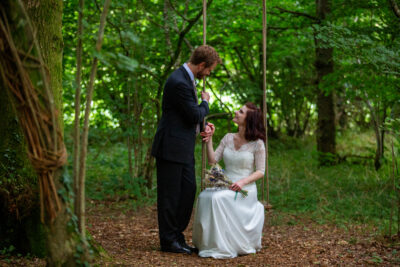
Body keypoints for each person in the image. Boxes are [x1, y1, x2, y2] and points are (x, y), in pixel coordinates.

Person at [151, 45, 221, 255]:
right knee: (170, 196)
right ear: (201, 65)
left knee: (187, 192)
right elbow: (192, 114)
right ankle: (168, 240)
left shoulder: (187, 79)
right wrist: (205, 103)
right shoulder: (179, 81)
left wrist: (203, 126)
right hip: (170, 148)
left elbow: (187, 116)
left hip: (182, 148)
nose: (209, 74)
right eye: (209, 70)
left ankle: (177, 236)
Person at [192, 102, 266, 259]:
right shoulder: (228, 138)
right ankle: (209, 244)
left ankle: (222, 246)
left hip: (245, 189)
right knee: (205, 196)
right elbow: (213, 162)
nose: (236, 112)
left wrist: (242, 182)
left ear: (249, 119)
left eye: (241, 112)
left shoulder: (257, 144)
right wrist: (210, 139)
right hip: (226, 183)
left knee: (217, 199)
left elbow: (260, 171)